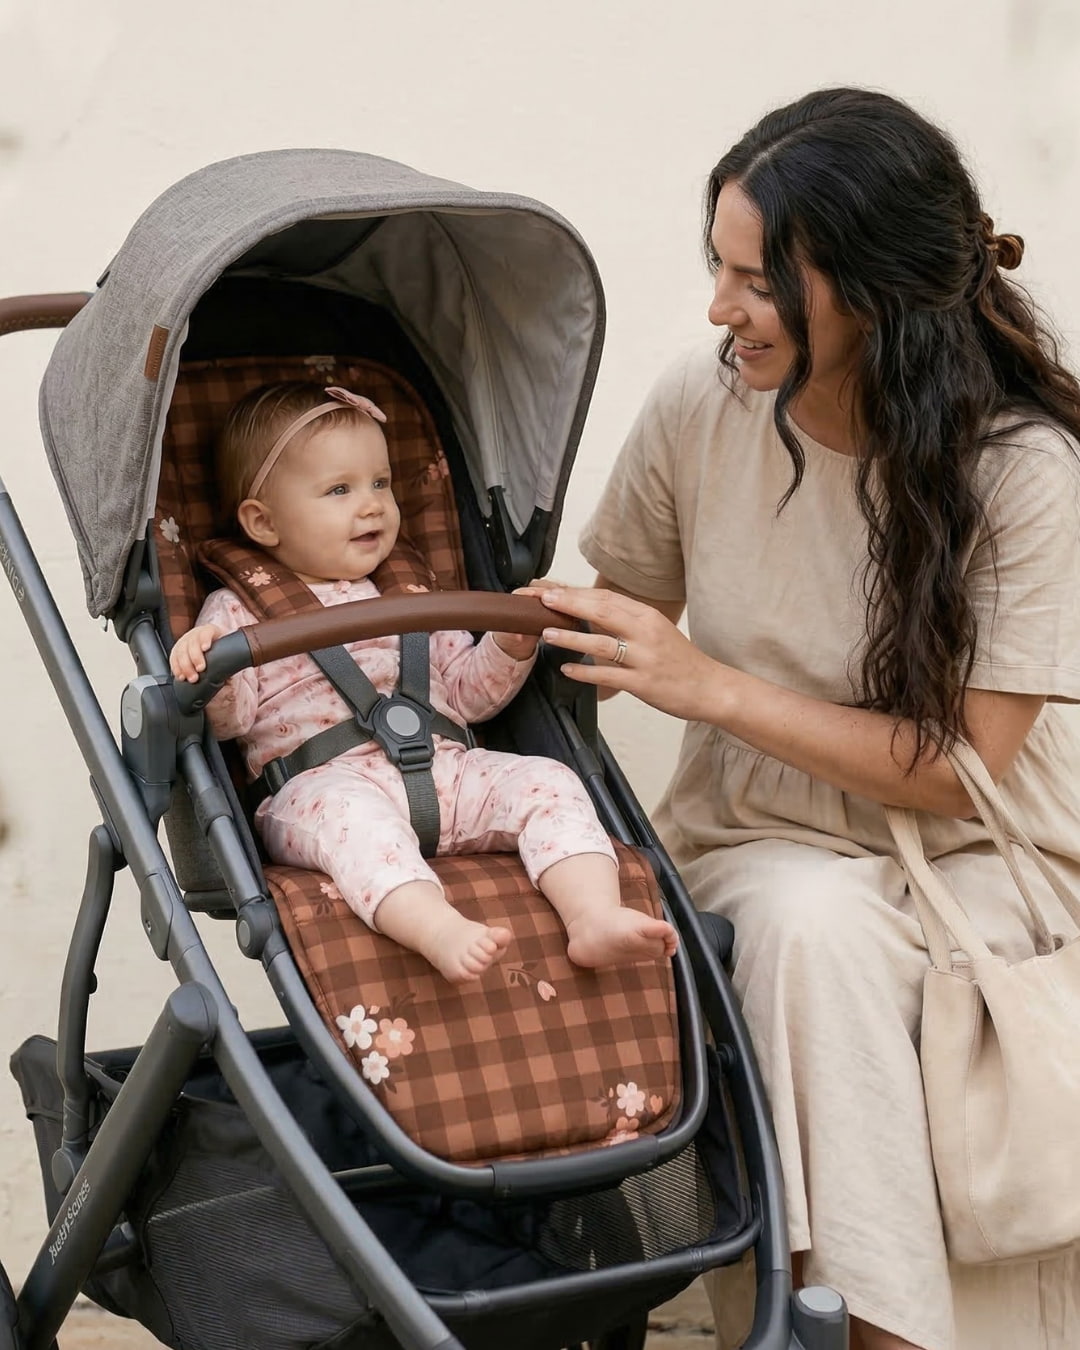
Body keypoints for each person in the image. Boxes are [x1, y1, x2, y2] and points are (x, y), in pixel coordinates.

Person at [539, 88, 1080, 1350]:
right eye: (716, 269)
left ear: (877, 290)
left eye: (758, 282)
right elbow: (613, 610)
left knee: (823, 934)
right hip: (762, 836)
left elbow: (963, 770)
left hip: (992, 855)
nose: (723, 307)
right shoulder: (701, 401)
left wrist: (705, 684)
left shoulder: (1022, 467)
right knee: (803, 924)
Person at [170, 381, 677, 984]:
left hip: (448, 772)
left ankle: (594, 915)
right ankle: (435, 925)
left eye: (380, 483)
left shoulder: (415, 595)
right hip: (324, 786)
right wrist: (206, 666)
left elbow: (466, 696)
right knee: (356, 825)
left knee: (548, 779)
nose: (373, 505)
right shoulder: (236, 610)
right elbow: (230, 720)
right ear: (263, 521)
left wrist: (509, 643)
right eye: (340, 490)